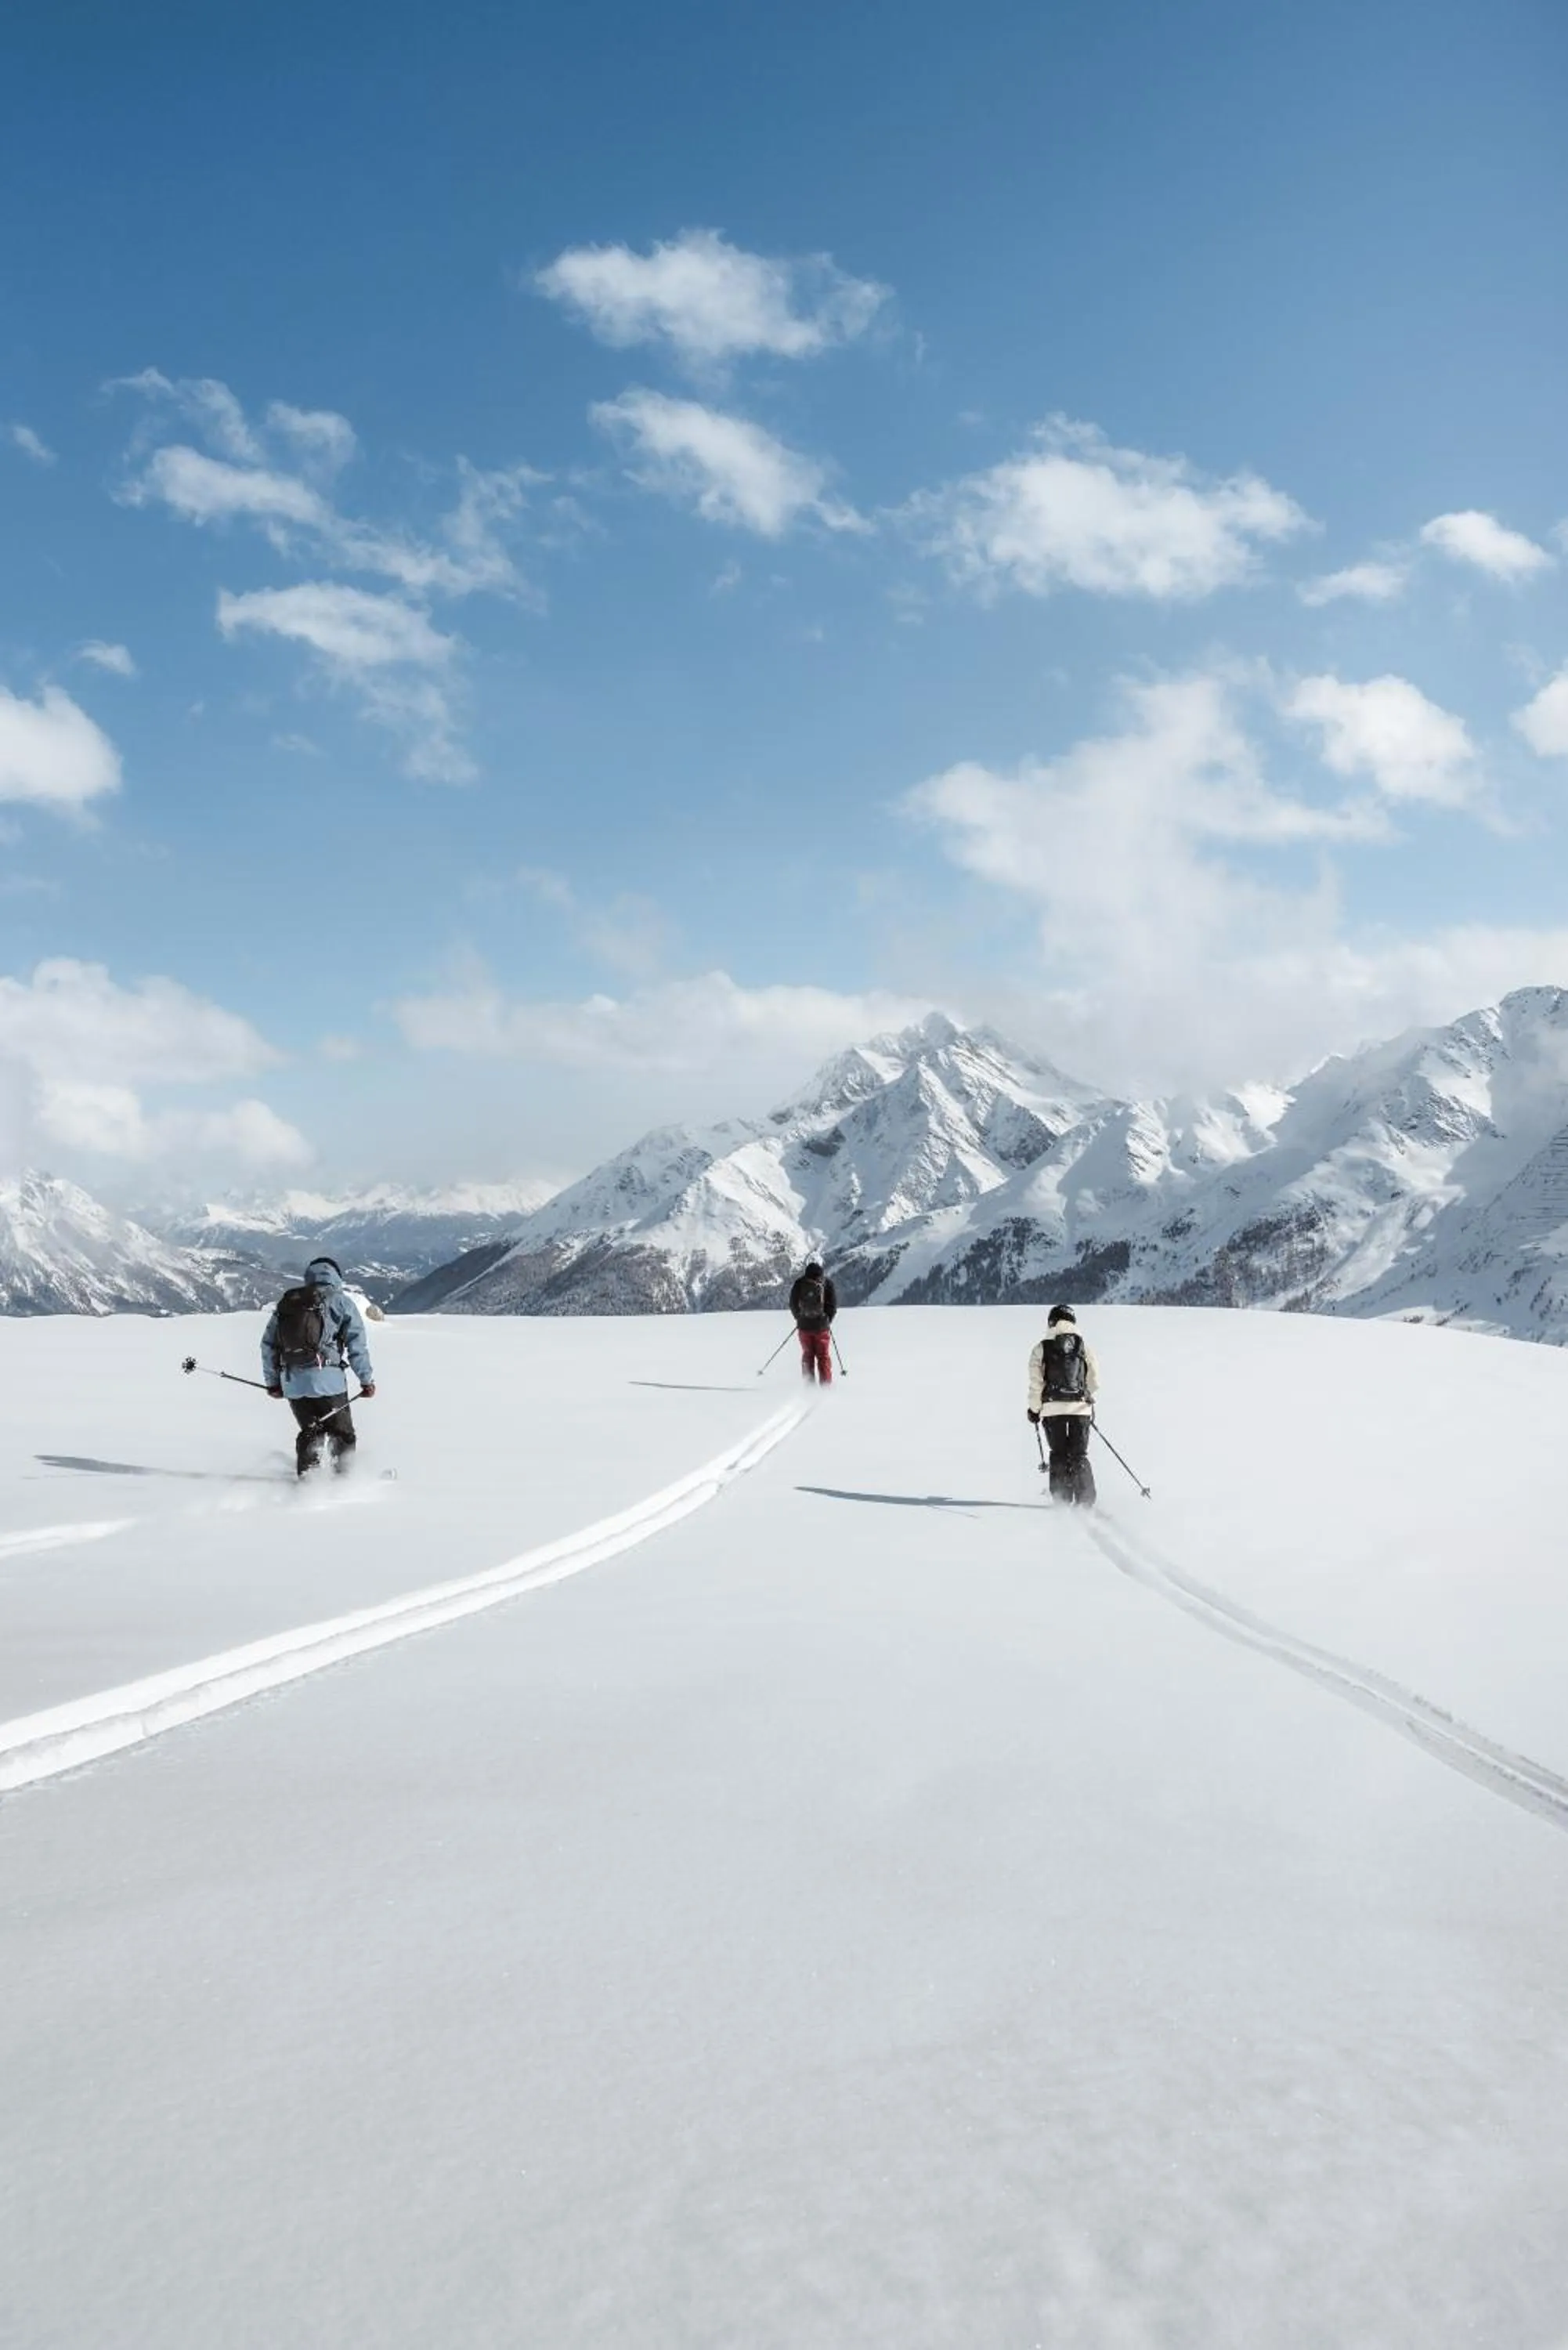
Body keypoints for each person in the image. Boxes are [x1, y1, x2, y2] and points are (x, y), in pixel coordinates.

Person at [262, 1255, 376, 1477]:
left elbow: (268, 1346)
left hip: (293, 1383)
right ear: (337, 1277)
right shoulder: (342, 1302)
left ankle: (308, 1480)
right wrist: (366, 1380)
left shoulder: (290, 1302)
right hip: (329, 1384)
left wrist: (273, 1383)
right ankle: (343, 1480)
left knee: (311, 1431)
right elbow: (357, 1347)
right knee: (342, 1433)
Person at [1027, 1303, 1098, 1507]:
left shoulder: (1041, 1348)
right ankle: (1085, 1501)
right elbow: (1095, 1380)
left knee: (1058, 1453)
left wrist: (1034, 1409)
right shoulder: (1084, 1347)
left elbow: (1036, 1383)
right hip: (1080, 1409)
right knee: (1079, 1454)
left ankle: (1062, 1500)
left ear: (1051, 1322)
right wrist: (1086, 1397)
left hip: (1052, 1409)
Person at [789, 1260, 838, 1384]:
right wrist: (827, 1320)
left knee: (808, 1355)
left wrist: (799, 1318)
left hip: (804, 1327)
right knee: (823, 1356)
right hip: (821, 1327)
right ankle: (826, 1386)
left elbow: (793, 1304)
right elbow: (832, 1306)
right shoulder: (827, 1283)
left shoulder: (799, 1283)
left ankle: (809, 1386)